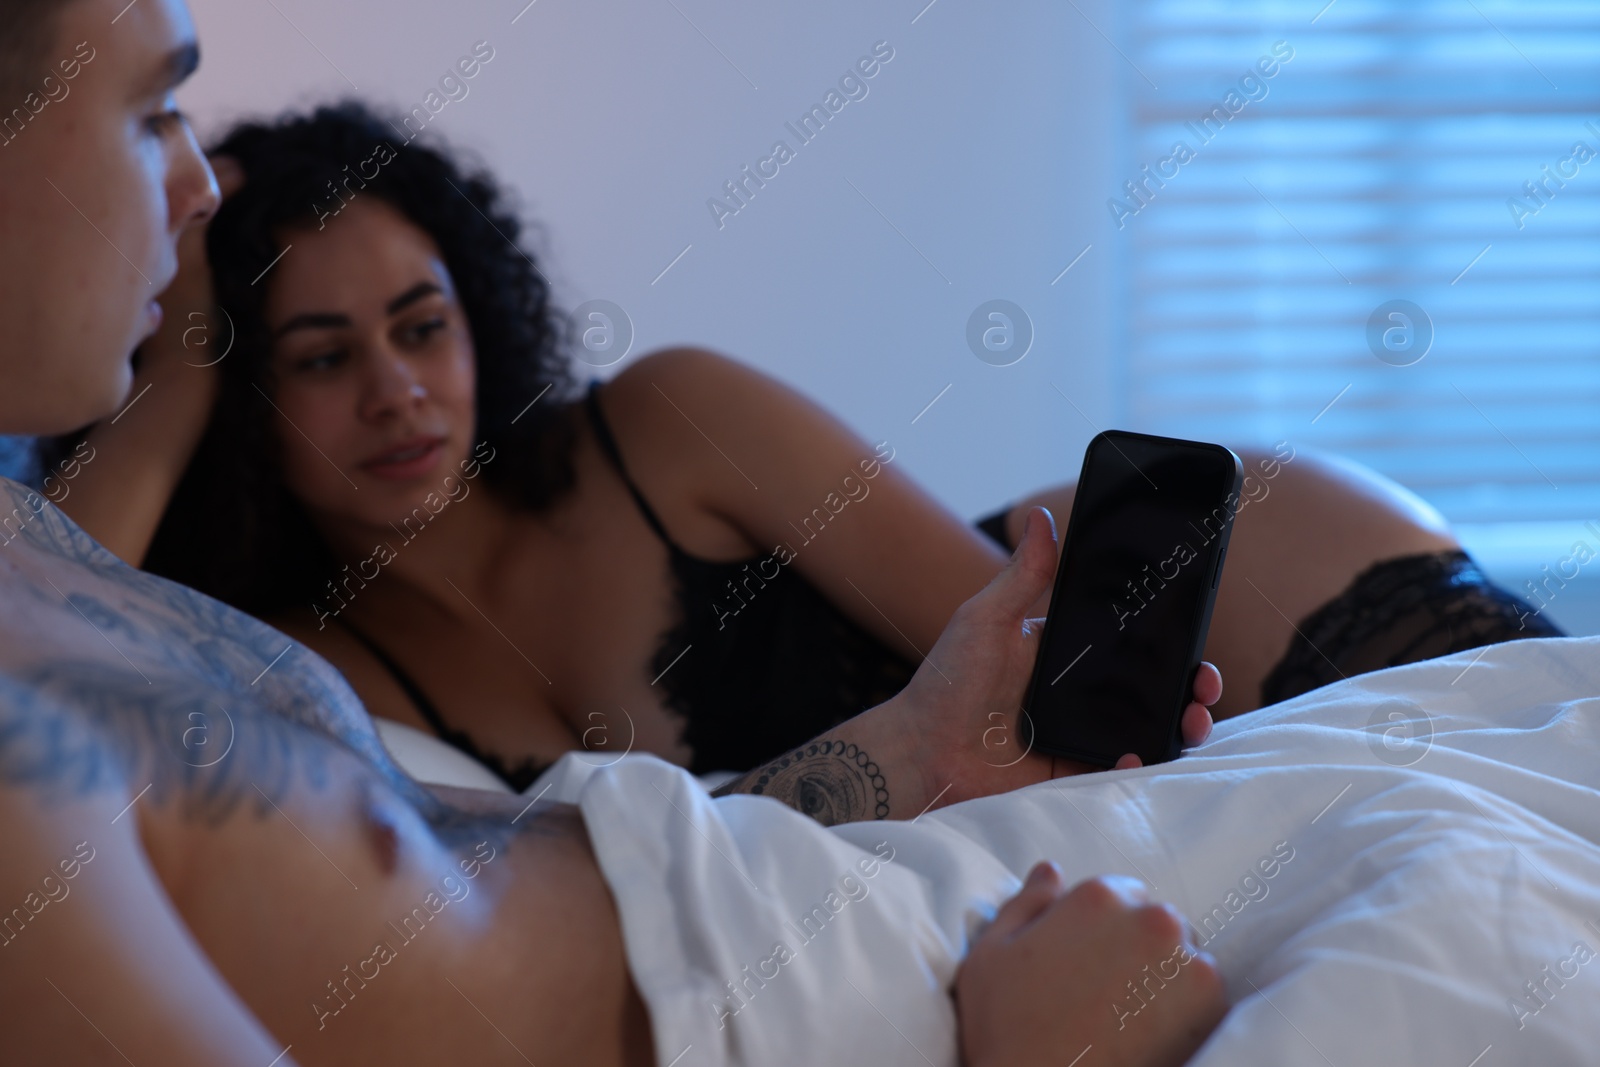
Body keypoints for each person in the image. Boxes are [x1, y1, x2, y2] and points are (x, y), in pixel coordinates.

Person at [0, 1, 1229, 1064]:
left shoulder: (45, 569)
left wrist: (913, 746)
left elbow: (536, 872)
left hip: (887, 899)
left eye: (422, 325)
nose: (196, 185)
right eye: (153, 111)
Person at [43, 102, 1558, 791]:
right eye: (317, 357)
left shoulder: (668, 415)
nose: (397, 390)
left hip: (1272, 587)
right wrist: (180, 360)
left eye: (422, 322)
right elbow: (45, 623)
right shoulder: (319, 665)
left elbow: (1033, 682)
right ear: (243, 401)